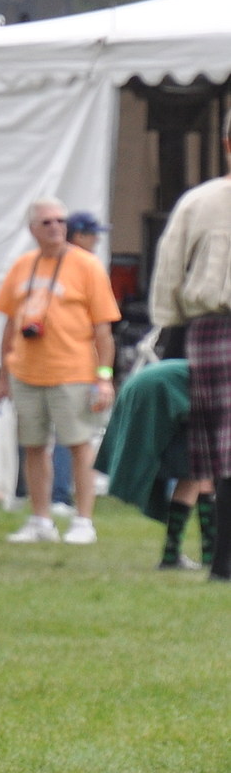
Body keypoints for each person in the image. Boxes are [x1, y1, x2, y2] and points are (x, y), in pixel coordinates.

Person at [0, 198, 120, 546]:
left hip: (73, 372)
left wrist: (104, 375)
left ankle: (83, 521)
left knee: (79, 445)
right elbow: (9, 323)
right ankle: (40, 519)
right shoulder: (22, 266)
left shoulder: (87, 266)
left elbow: (103, 330)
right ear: (33, 229)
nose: (55, 227)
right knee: (33, 445)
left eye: (60, 221)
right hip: (27, 372)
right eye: (47, 222)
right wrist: (4, 374)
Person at [146, 133, 231, 577]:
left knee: (217, 451)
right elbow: (169, 269)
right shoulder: (199, 204)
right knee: (217, 452)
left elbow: (167, 274)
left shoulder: (198, 203)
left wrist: (173, 330)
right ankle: (221, 561)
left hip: (207, 330)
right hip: (213, 328)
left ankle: (221, 562)